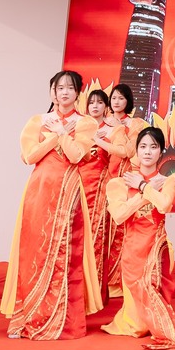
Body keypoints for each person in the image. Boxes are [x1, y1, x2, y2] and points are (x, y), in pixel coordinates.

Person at [1, 70, 104, 340]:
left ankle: (64, 319)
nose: (65, 92)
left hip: (68, 192)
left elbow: (77, 156)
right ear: (52, 92)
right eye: (60, 88)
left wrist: (62, 133)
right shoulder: (37, 121)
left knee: (66, 253)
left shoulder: (85, 123)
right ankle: (27, 315)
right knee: (33, 250)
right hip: (39, 191)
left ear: (78, 93)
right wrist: (55, 135)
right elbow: (29, 156)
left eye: (70, 88)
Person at [102, 126, 175, 350]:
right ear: (136, 151)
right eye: (143, 146)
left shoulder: (169, 180)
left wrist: (143, 186)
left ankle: (161, 326)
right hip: (132, 249)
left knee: (152, 293)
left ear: (160, 151)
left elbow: (164, 206)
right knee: (136, 324)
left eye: (153, 147)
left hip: (156, 247)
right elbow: (119, 216)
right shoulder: (120, 183)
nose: (147, 151)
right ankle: (136, 320)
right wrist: (144, 192)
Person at [95, 83, 146, 299]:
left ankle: (123, 280)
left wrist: (119, 130)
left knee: (123, 229)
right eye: (114, 98)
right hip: (103, 178)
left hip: (125, 178)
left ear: (128, 101)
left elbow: (129, 151)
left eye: (121, 98)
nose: (116, 102)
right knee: (104, 229)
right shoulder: (101, 123)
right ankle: (102, 280)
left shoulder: (135, 124)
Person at [77, 87, 115, 294]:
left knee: (97, 233)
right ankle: (76, 286)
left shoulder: (111, 130)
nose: (95, 106)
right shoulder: (79, 128)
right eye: (91, 102)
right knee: (77, 235)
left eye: (100, 102)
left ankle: (95, 289)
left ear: (106, 107)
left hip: (100, 186)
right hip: (78, 184)